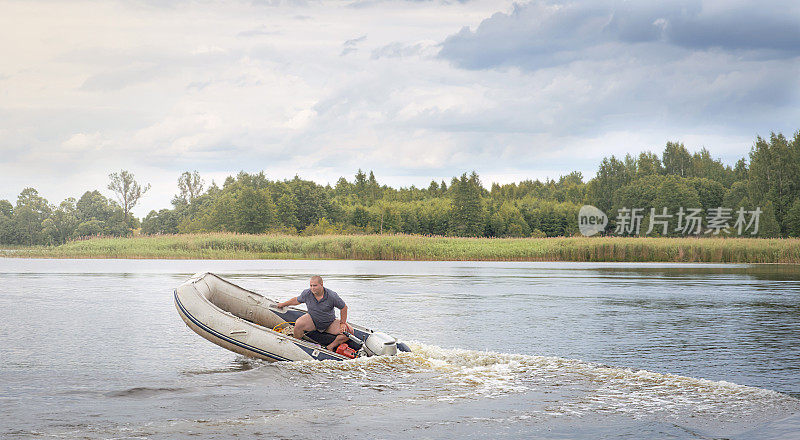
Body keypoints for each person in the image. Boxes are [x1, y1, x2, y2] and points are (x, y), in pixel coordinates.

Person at [276, 275, 353, 351]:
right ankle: (298, 344)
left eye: (315, 285)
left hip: (329, 322)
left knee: (349, 331)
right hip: (313, 320)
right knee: (299, 323)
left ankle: (330, 347)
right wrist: (283, 304)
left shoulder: (332, 295)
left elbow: (344, 307)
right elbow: (296, 300)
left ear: (321, 284)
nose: (312, 288)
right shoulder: (307, 293)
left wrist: (342, 323)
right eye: (311, 285)